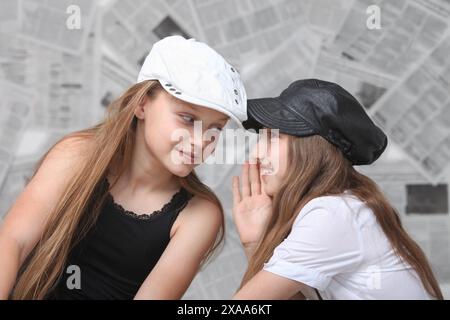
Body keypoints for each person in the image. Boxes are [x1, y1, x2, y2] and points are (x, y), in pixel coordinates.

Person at [0, 36, 247, 300]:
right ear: (142, 104)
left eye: (215, 128)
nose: (201, 140)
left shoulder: (198, 215)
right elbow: (13, 242)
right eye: (187, 119)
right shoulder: (77, 155)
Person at [231, 79, 443, 300]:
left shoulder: (333, 213)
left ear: (312, 149)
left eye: (272, 138)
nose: (256, 154)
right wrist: (256, 242)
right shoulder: (344, 207)